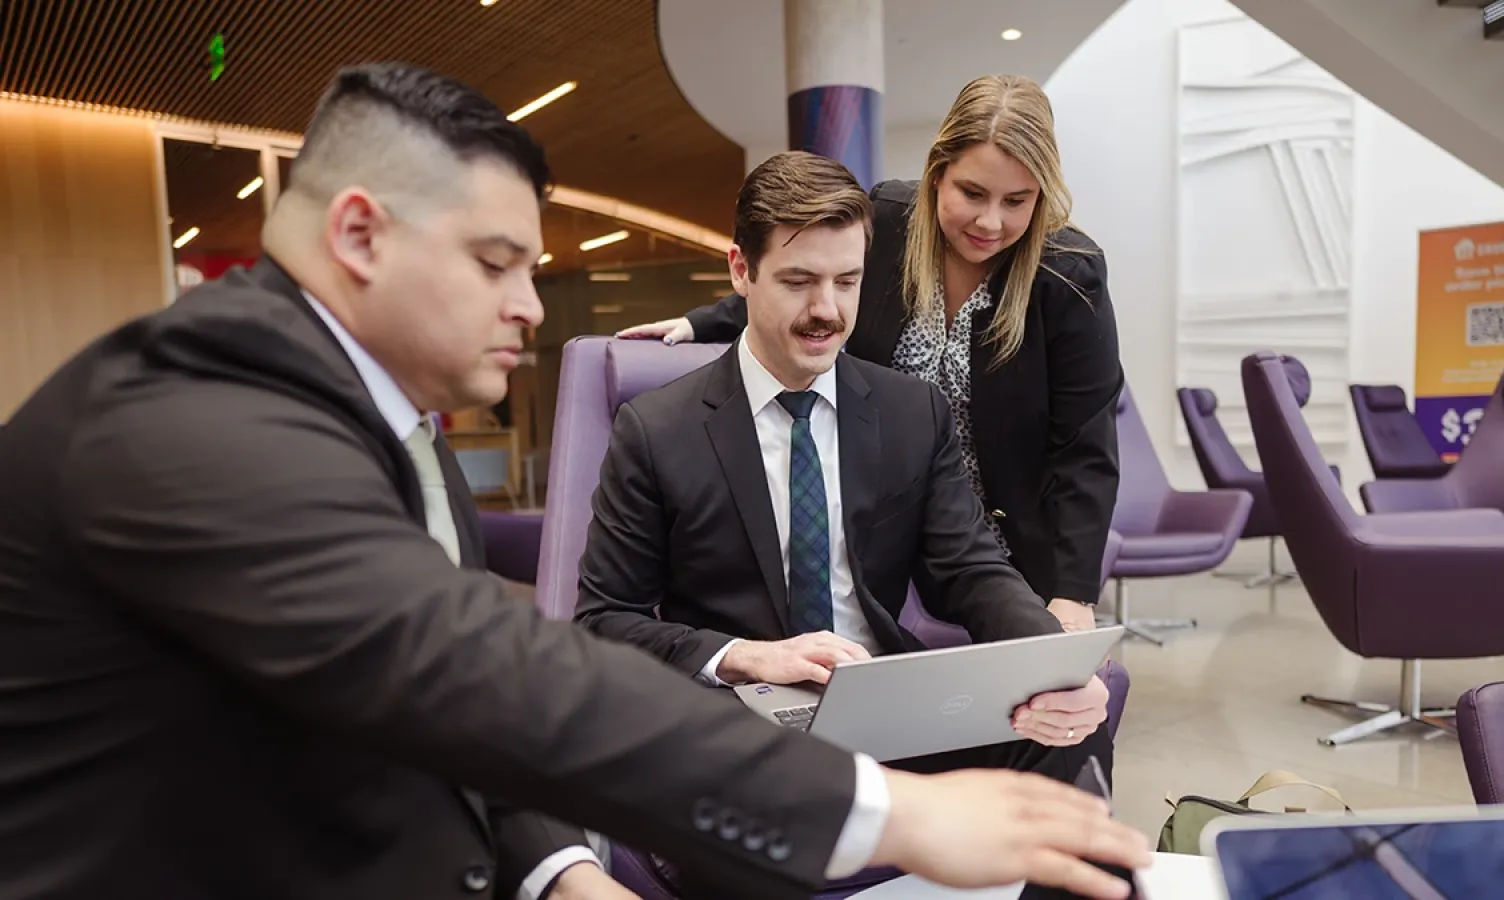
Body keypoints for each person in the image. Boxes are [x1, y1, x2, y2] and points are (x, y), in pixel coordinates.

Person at [0, 64, 1149, 900]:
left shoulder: (392, 431)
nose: (530, 309)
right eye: (496, 264)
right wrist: (892, 813)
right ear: (359, 235)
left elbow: (438, 712)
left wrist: (554, 870)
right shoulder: (202, 417)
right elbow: (473, 671)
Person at [576, 149, 1124, 899]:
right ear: (741, 271)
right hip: (738, 728)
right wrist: (744, 656)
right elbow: (605, 620)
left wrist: (1050, 664)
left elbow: (969, 569)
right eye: (798, 281)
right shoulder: (657, 430)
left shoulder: (907, 412)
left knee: (1068, 731)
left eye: (847, 281)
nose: (827, 310)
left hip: (883, 709)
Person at [620, 74, 1122, 635]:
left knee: (1051, 700)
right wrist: (700, 322)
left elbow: (1085, 449)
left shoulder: (1067, 275)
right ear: (937, 175)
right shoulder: (888, 219)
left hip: (1003, 539)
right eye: (972, 193)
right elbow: (808, 278)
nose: (990, 222)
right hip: (889, 525)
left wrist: (1073, 593)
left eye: (1017, 201)